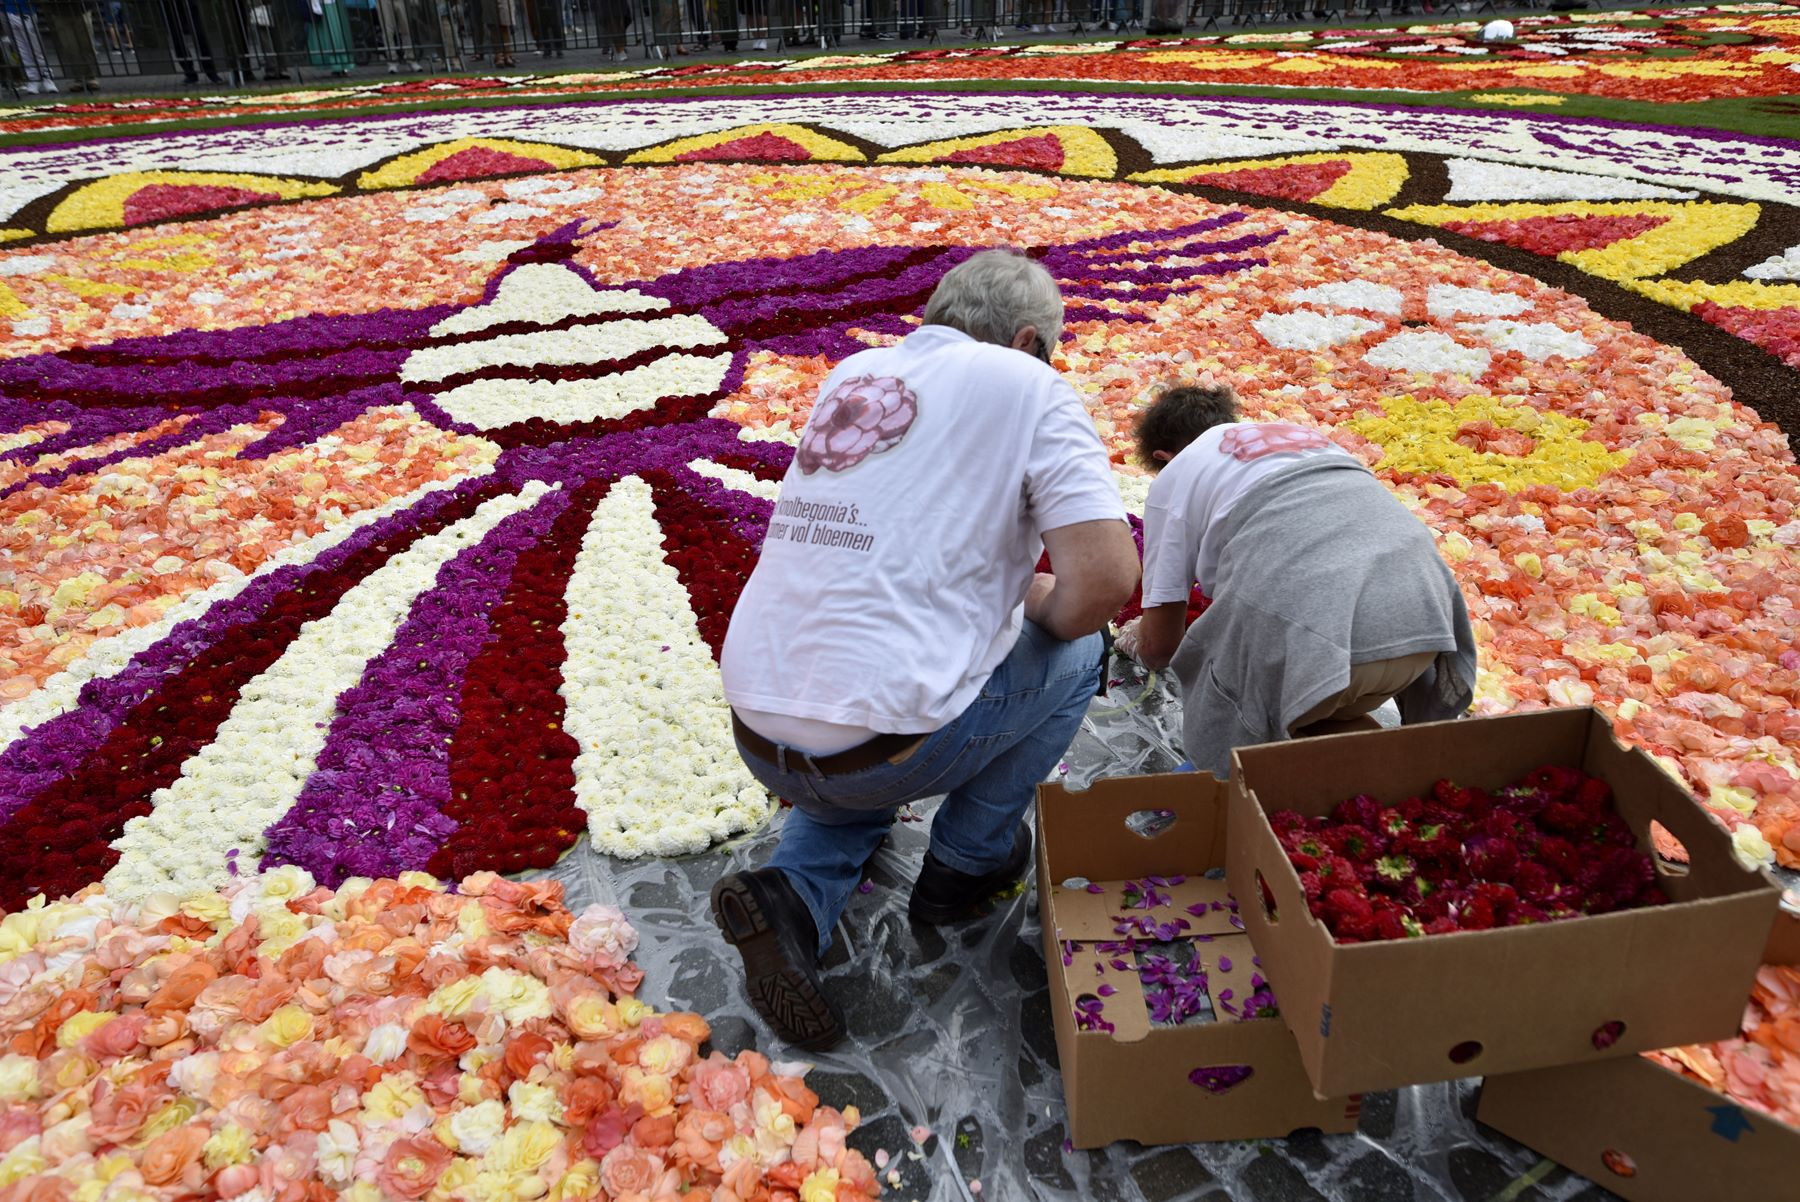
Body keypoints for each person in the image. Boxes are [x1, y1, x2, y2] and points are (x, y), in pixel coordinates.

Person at [714, 250, 1139, 1050]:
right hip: (885, 744)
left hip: (759, 730)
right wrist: (1035, 600)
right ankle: (966, 864)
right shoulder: (1028, 384)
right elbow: (1107, 582)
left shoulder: (856, 373)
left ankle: (789, 898)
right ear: (1028, 340)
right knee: (1082, 650)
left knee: (861, 731)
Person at [1118, 384, 1476, 778]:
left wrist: (1133, 637)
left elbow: (1160, 646)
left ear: (1162, 457)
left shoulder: (1177, 474)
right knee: (1319, 712)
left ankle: (1231, 792)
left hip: (1323, 644)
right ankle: (1386, 785)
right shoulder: (1303, 437)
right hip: (1427, 629)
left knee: (1238, 718)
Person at [2, 0, 55, 93]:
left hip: (24, 9)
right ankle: (33, 78)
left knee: (35, 48)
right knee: (21, 50)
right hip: (7, 9)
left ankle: (46, 76)